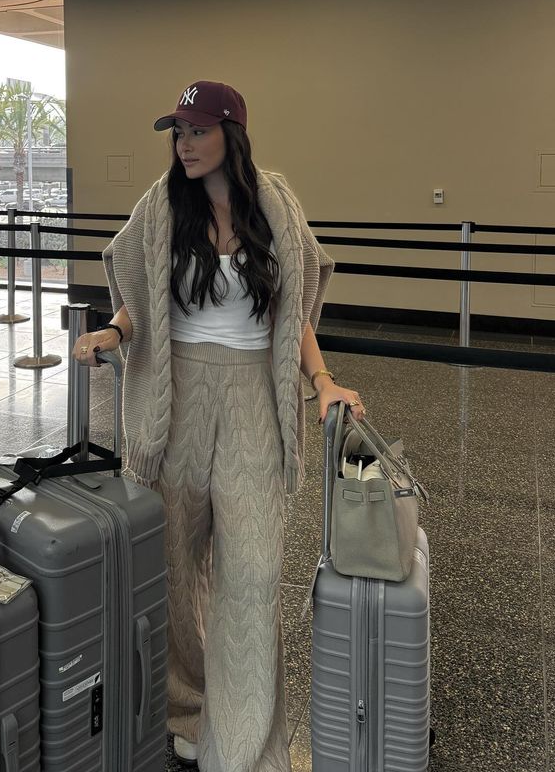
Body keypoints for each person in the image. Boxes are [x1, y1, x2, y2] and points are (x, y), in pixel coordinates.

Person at [73, 81, 365, 772]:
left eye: (198, 131)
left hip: (253, 402)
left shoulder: (275, 206)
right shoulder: (162, 206)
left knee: (253, 578)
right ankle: (186, 710)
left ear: (232, 134)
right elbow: (144, 295)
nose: (184, 144)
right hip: (176, 401)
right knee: (174, 571)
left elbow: (294, 312)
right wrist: (115, 331)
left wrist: (322, 381)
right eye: (178, 132)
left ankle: (244, 743)